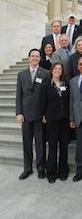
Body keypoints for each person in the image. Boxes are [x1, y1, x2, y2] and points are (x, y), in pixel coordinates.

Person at [16, 48, 49, 180]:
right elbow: (19, 95)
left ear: (40, 58)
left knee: (40, 143)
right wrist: (18, 112)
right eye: (33, 56)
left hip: (40, 114)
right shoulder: (21, 75)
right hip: (26, 114)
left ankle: (41, 168)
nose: (35, 58)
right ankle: (27, 168)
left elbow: (47, 96)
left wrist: (46, 113)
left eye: (37, 56)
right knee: (27, 142)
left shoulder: (45, 73)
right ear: (29, 58)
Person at [42, 62, 69, 183]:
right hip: (52, 119)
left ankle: (63, 171)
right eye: (56, 69)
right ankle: (51, 172)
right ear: (52, 70)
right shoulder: (46, 85)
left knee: (64, 146)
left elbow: (68, 101)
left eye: (60, 69)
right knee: (52, 146)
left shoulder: (66, 84)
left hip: (64, 119)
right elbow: (42, 102)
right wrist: (43, 115)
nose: (58, 71)